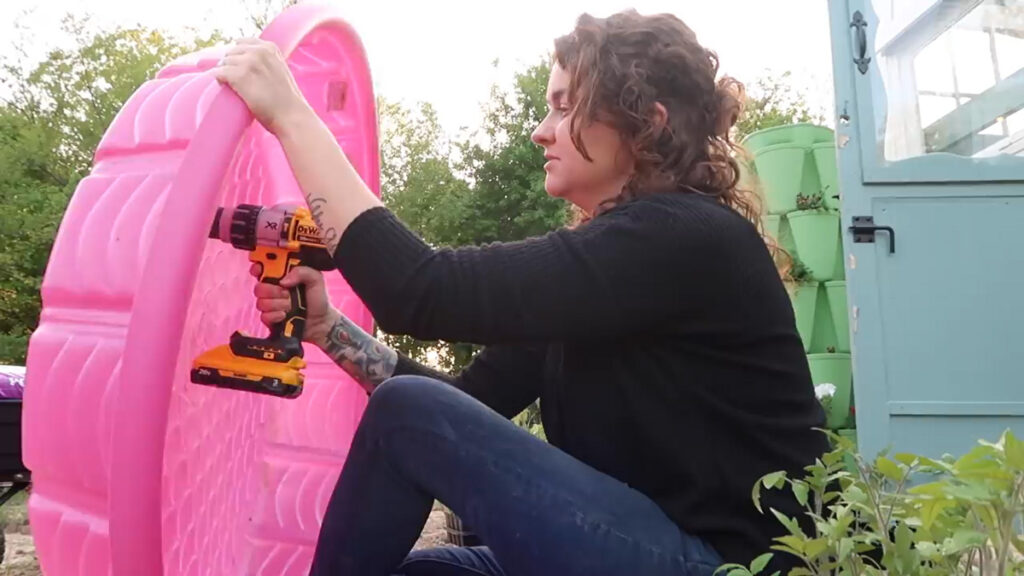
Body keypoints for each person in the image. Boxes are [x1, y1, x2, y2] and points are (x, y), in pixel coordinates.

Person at [215, 9, 830, 576]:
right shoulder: (613, 272)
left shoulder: (685, 238)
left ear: (647, 125)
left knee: (405, 412)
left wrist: (291, 116)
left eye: (565, 108)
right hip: (649, 545)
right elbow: (465, 402)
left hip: (723, 565)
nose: (541, 131)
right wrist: (327, 328)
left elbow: (418, 291)